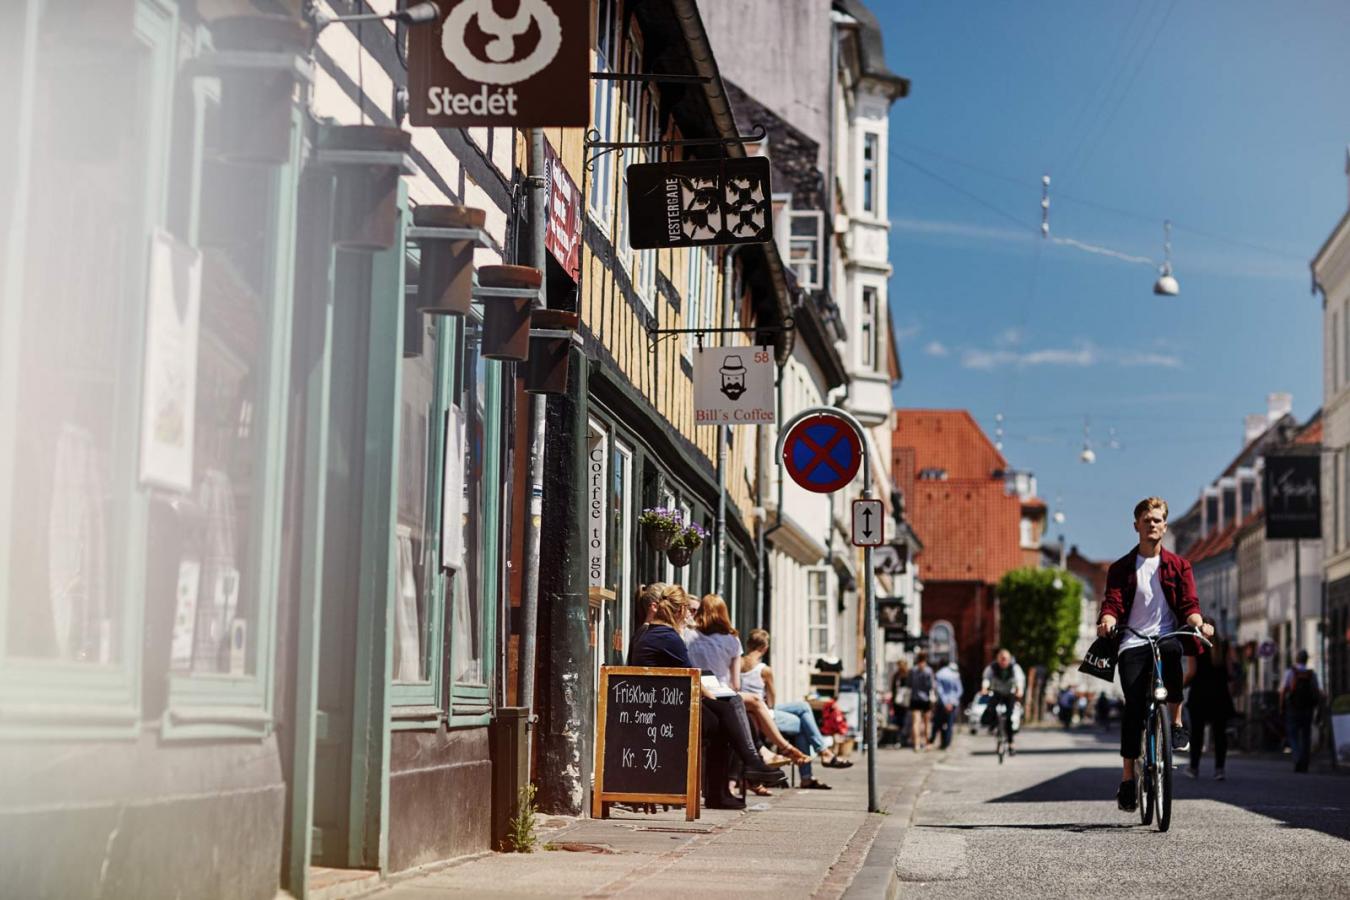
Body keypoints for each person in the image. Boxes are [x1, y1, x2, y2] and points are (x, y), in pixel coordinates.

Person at [1097, 497, 1214, 813]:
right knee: (1134, 705)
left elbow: (1189, 605)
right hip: (1133, 642)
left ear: (1165, 525)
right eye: (1147, 519)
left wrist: (1199, 623)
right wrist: (1108, 620)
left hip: (1165, 636)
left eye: (1158, 519)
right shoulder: (1121, 568)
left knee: (1173, 652)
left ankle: (1174, 722)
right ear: (1136, 525)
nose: (1152, 524)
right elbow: (1113, 603)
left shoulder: (1179, 566)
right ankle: (1127, 779)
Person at [627, 583, 787, 808]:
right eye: (688, 611)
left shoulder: (649, 632)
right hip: (664, 715)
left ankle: (744, 769)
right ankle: (740, 773)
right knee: (726, 714)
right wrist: (713, 699)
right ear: (681, 610)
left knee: (727, 711)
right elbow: (693, 678)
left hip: (656, 708)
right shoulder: (668, 637)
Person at [688, 595, 809, 778]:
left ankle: (767, 755)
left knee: (750, 711)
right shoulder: (732, 640)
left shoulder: (689, 636)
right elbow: (735, 685)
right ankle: (782, 748)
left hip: (695, 692)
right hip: (719, 694)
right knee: (755, 703)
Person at [740, 629, 853, 790]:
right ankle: (817, 762)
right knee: (802, 724)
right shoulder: (764, 670)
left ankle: (822, 756)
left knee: (803, 706)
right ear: (765, 648)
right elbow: (771, 701)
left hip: (745, 709)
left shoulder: (739, 663)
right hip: (762, 713)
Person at [1184, 620, 1235, 780]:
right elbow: (1230, 671)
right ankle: (1219, 769)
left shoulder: (1195, 645)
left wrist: (1181, 685)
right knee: (1220, 734)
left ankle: (1194, 768)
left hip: (1199, 695)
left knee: (1196, 734)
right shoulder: (1224, 646)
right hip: (1220, 695)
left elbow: (1191, 672)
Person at [1280, 649, 1323, 773]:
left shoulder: (1290, 672)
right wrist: (1318, 707)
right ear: (1306, 660)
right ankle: (1305, 762)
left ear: (1296, 659)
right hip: (1308, 708)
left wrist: (1281, 706)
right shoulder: (1311, 674)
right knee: (1306, 736)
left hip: (1293, 707)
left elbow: (1283, 691)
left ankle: (1297, 757)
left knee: (1292, 735)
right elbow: (1316, 691)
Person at [980, 648, 1025, 754]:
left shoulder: (1014, 667)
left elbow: (1019, 680)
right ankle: (995, 726)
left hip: (1009, 693)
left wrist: (1019, 690)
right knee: (990, 708)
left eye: (1005, 659)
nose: (1003, 661)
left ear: (1009, 659)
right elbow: (986, 678)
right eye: (1001, 659)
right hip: (997, 692)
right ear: (998, 659)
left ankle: (1011, 743)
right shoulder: (992, 667)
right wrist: (984, 688)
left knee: (1009, 717)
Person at [931, 658, 963, 750]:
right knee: (949, 724)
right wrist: (952, 702)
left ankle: (941, 743)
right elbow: (959, 690)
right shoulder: (955, 675)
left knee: (939, 723)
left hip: (942, 704)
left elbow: (939, 691)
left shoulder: (939, 674)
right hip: (953, 704)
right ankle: (947, 744)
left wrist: (945, 703)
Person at [908, 652, 935, 753]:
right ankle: (927, 744)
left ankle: (917, 744)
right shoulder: (928, 670)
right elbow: (931, 686)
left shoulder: (913, 670)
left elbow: (909, 684)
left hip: (914, 698)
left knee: (916, 722)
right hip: (926, 699)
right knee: (927, 723)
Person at [890, 659, 912, 747]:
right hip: (899, 703)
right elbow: (893, 689)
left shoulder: (905, 675)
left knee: (904, 721)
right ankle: (902, 739)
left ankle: (903, 739)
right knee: (901, 721)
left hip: (904, 702)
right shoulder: (897, 676)